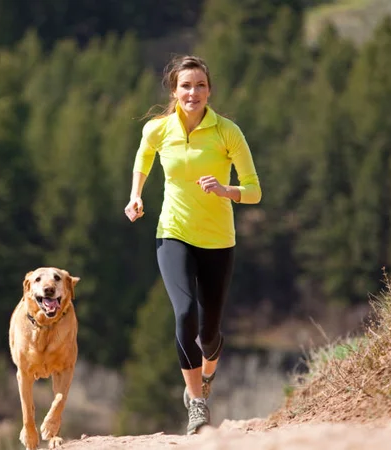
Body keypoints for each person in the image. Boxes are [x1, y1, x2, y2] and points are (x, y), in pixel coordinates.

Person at [124, 54, 262, 435]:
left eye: (200, 85)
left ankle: (206, 376)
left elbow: (254, 191)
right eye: (186, 85)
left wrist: (226, 190)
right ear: (174, 90)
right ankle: (197, 403)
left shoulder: (227, 132)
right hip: (173, 232)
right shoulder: (158, 129)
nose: (193, 92)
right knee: (184, 312)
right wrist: (136, 196)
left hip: (218, 240)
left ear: (209, 90)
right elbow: (144, 157)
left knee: (209, 335)